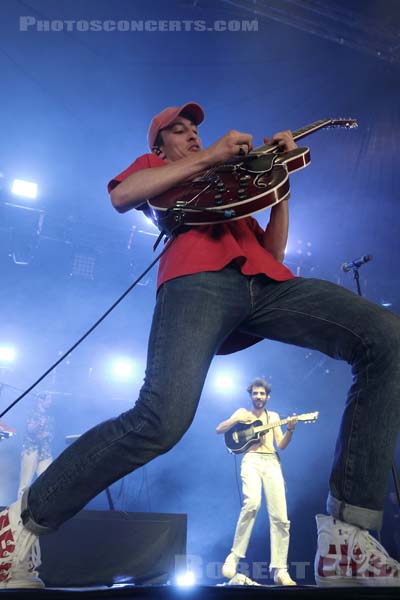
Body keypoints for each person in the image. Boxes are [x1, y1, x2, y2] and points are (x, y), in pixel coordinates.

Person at [0, 101, 399, 589]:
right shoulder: (160, 169)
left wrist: (279, 177)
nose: (191, 136)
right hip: (198, 280)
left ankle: (346, 542)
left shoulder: (228, 184)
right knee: (160, 420)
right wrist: (209, 155)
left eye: (196, 131)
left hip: (265, 284)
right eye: (180, 130)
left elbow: (273, 255)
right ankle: (18, 525)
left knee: (385, 336)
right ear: (159, 145)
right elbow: (122, 196)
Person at [216, 378, 298, 586]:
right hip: (251, 461)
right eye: (255, 393)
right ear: (251, 395)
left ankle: (280, 569)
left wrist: (290, 429)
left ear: (268, 396)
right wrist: (236, 420)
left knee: (281, 517)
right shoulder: (242, 413)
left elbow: (281, 445)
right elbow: (219, 429)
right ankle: (233, 556)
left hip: (271, 462)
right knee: (252, 503)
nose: (259, 397)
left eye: (262, 394)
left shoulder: (274, 417)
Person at [17, 393, 54, 500]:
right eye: (48, 399)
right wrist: (39, 424)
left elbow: (52, 435)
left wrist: (47, 435)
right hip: (31, 450)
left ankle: (43, 509)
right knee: (25, 483)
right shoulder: (31, 414)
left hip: (45, 453)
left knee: (48, 482)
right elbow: (30, 430)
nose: (50, 402)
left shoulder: (50, 417)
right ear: (40, 400)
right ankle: (19, 510)